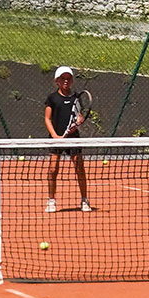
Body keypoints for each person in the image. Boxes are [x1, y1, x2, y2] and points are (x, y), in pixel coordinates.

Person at [42, 66, 92, 214]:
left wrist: (78, 123)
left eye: (68, 78)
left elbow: (79, 116)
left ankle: (84, 200)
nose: (66, 81)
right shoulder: (52, 98)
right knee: (53, 169)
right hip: (56, 138)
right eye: (62, 78)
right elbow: (47, 119)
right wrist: (55, 136)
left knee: (79, 169)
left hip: (73, 139)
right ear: (56, 81)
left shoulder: (76, 97)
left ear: (71, 80)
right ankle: (51, 200)